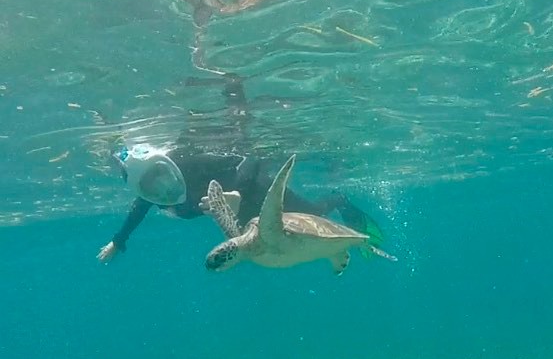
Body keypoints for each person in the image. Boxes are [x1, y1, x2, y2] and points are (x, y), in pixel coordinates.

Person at [97, 76, 385, 263]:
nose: (163, 188)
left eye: (159, 176)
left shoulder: (191, 159)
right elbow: (137, 211)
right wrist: (118, 242)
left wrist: (235, 191)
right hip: (241, 213)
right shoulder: (149, 190)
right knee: (257, 242)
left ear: (165, 162)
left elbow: (249, 154)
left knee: (315, 215)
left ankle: (340, 201)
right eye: (150, 188)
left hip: (252, 186)